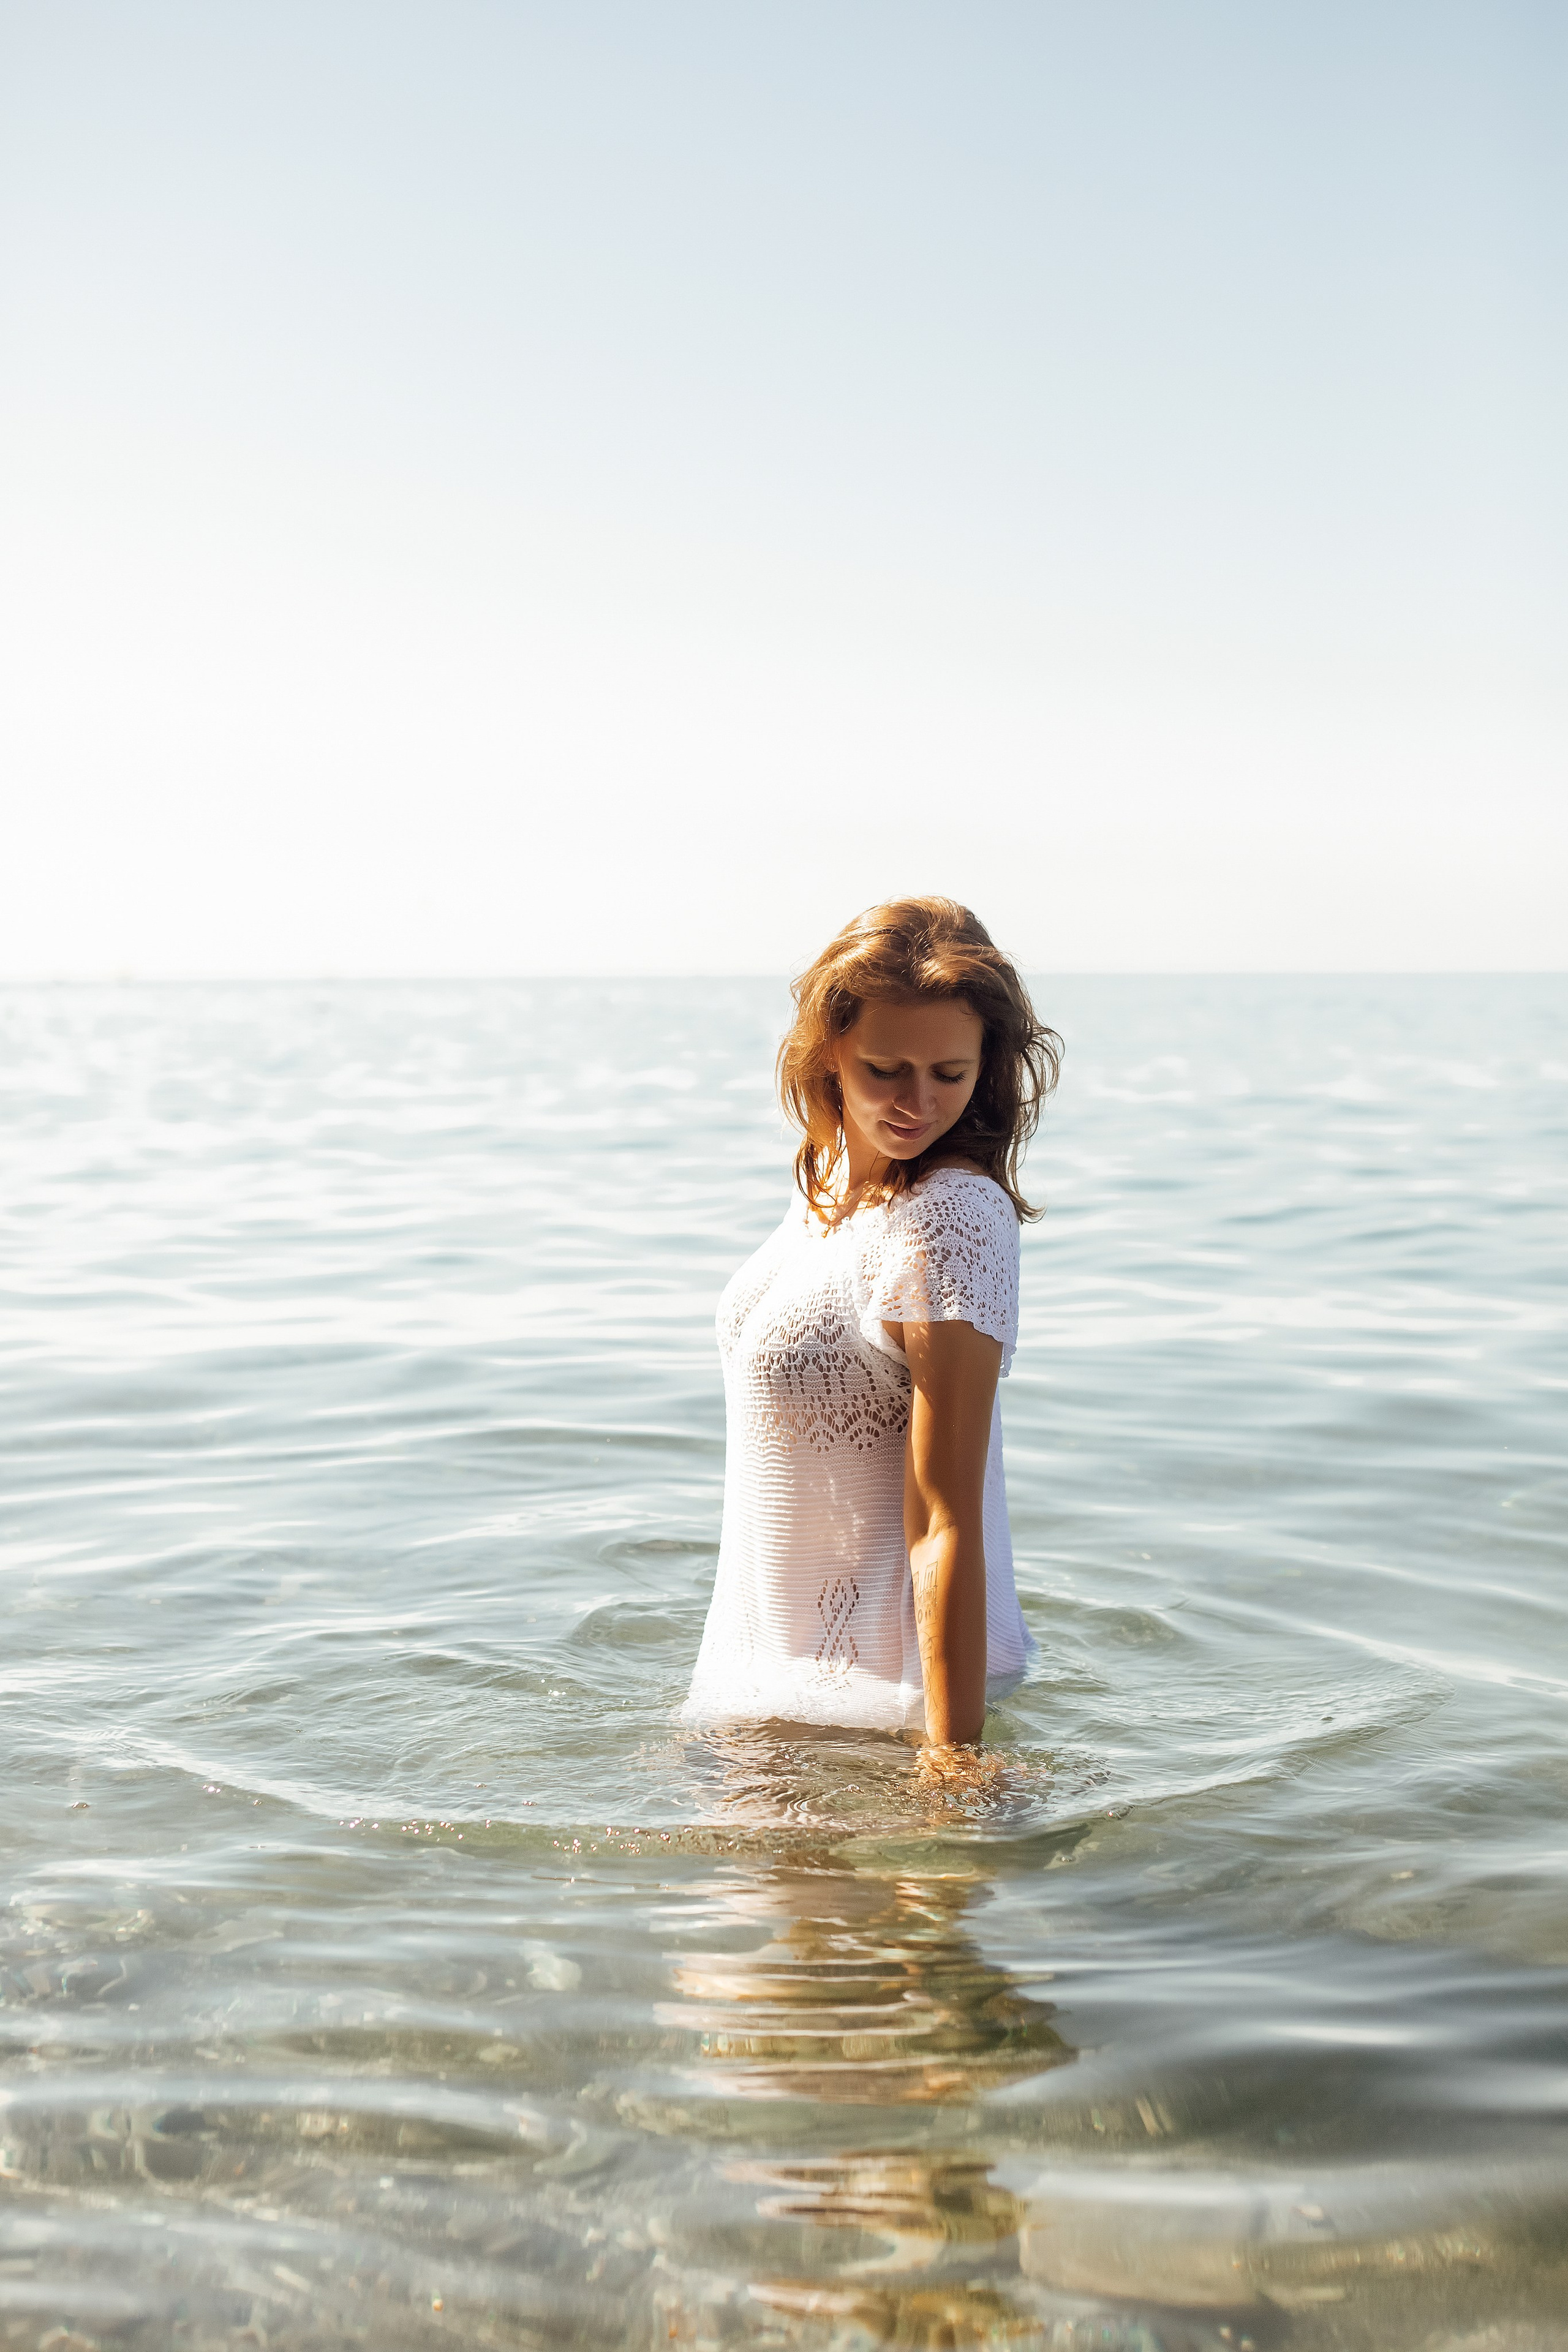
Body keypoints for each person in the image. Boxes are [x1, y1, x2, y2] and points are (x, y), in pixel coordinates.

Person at [680, 897, 1060, 1749]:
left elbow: (945, 1518)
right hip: (767, 1704)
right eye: (886, 1069)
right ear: (829, 1053)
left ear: (987, 1068)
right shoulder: (824, 1186)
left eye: (949, 1075)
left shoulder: (953, 1217)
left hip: (881, 1718)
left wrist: (953, 1769)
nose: (916, 1104)